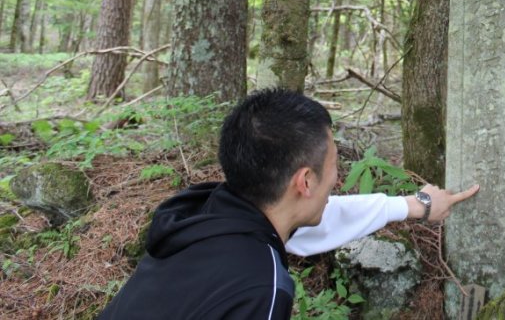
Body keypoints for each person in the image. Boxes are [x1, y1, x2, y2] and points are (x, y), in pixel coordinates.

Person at [99, 88, 479, 319]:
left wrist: (415, 205)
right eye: (333, 167)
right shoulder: (260, 287)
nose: (339, 179)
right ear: (305, 181)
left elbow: (307, 220)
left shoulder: (202, 215)